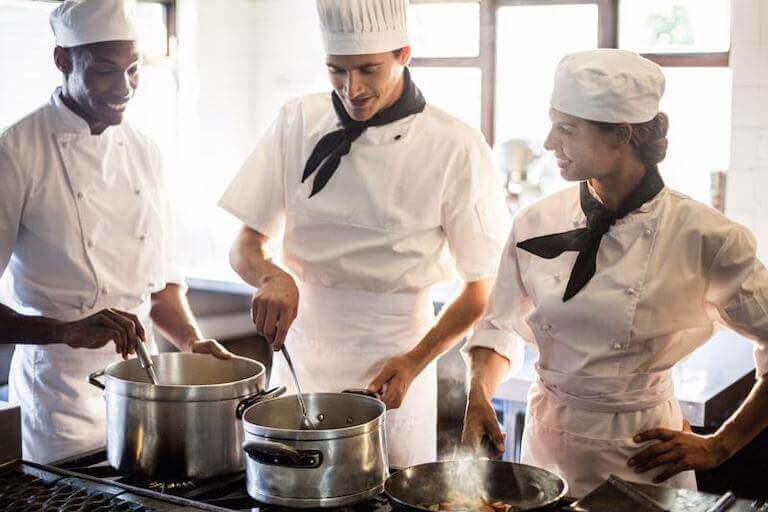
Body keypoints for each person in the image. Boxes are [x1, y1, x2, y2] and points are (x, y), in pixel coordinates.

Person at [461, 49, 768, 497]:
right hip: (546, 449)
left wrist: (721, 446)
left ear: (621, 136)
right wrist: (478, 394)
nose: (549, 143)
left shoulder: (705, 237)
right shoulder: (536, 222)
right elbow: (497, 328)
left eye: (566, 129)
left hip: (643, 457)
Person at [219, 0, 511, 468]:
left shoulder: (454, 144)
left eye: (368, 70)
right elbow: (244, 245)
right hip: (303, 355)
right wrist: (271, 276)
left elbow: (481, 289)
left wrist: (416, 360)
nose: (351, 89)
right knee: (291, 486)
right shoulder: (297, 120)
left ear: (404, 54)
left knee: (386, 487)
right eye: (336, 71)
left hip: (396, 363)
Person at [0, 0, 231, 463]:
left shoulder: (145, 152)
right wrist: (65, 331)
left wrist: (192, 342)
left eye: (133, 70)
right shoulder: (16, 153)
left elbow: (161, 288)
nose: (123, 88)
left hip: (142, 394)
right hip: (59, 405)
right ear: (63, 60)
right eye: (105, 70)